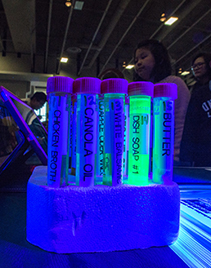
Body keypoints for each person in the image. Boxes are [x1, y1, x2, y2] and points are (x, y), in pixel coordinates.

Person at [133, 39, 190, 162]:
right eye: (136, 60)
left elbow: (181, 121)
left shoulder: (174, 83)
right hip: (144, 159)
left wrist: (174, 154)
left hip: (168, 158)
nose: (138, 63)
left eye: (143, 57)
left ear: (159, 58)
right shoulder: (141, 91)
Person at [180, 53, 211, 166]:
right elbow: (191, 124)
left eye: (199, 64)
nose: (196, 68)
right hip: (203, 152)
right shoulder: (196, 91)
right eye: (194, 66)